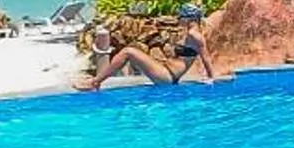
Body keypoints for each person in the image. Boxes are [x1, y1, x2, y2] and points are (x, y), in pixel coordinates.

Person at [78, 17, 222, 91]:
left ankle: (95, 82)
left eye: (182, 17)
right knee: (133, 53)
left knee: (128, 52)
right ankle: (97, 81)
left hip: (167, 76)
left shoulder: (194, 35)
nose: (180, 19)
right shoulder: (191, 33)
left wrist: (210, 78)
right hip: (166, 71)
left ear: (189, 18)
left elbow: (206, 56)